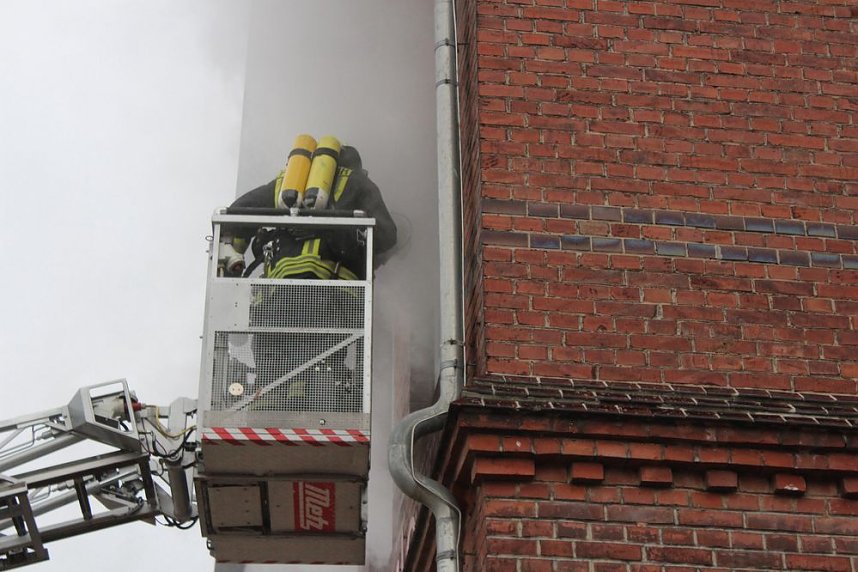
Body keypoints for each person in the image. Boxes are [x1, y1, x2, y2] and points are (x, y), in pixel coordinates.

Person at [219, 140, 396, 413]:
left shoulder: (285, 186)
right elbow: (387, 235)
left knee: (272, 360)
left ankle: (269, 402)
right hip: (331, 298)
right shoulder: (358, 182)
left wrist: (235, 254)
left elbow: (235, 214)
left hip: (277, 300)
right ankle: (313, 401)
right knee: (322, 363)